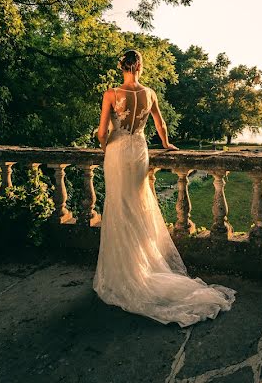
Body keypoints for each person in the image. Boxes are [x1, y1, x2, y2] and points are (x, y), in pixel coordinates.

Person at [93, 49, 236, 327]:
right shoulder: (150, 93)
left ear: (122, 66)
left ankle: (127, 272)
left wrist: (103, 147)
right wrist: (167, 144)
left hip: (117, 151)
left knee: (120, 207)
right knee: (138, 204)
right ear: (140, 67)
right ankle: (141, 266)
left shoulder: (111, 94)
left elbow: (102, 132)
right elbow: (159, 123)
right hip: (139, 150)